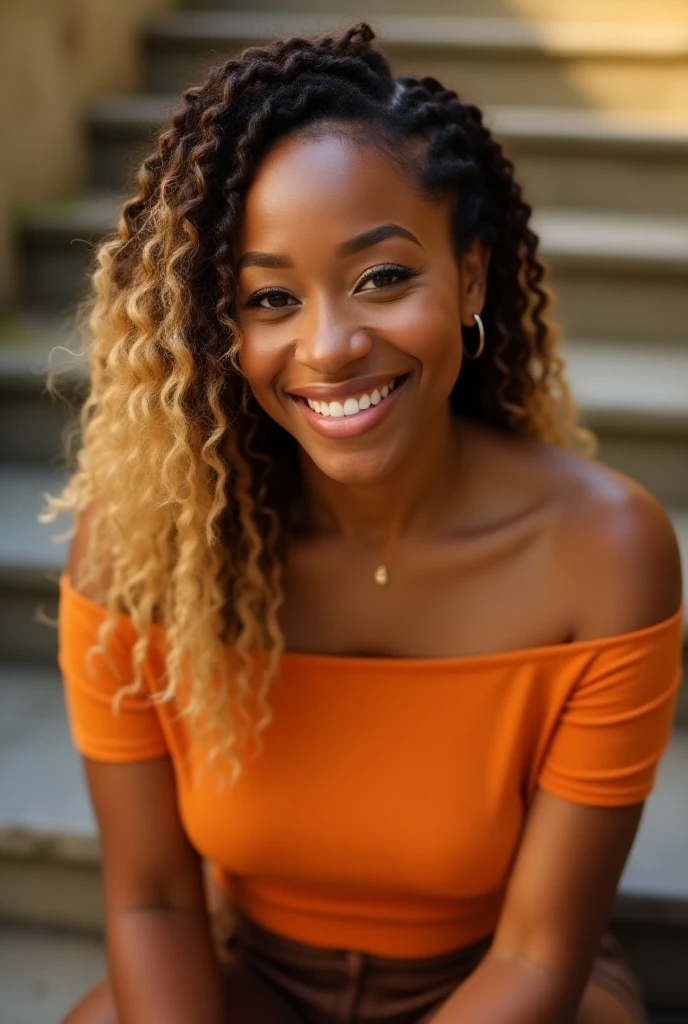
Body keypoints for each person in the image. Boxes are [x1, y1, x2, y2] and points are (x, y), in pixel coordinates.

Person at [44, 21, 684, 1024]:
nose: (331, 345)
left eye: (382, 276)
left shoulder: (602, 555)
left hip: (503, 987)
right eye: (268, 297)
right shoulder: (141, 551)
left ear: (468, 277)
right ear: (220, 329)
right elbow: (154, 902)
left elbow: (532, 953)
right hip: (242, 980)